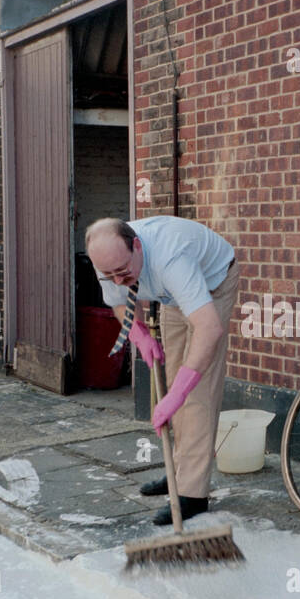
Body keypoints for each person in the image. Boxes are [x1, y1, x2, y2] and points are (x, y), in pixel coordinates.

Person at [85, 216, 239, 525]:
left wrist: (178, 393)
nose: (116, 280)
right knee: (171, 384)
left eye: (123, 272)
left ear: (137, 247)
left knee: (194, 392)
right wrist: (141, 337)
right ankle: (178, 474)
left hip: (212, 284)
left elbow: (209, 328)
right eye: (108, 274)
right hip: (171, 295)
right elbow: (119, 301)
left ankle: (193, 495)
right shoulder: (108, 256)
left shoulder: (171, 259)